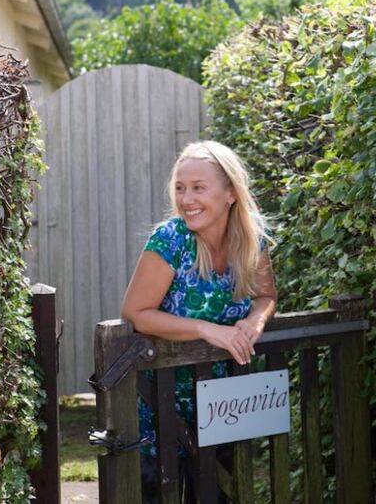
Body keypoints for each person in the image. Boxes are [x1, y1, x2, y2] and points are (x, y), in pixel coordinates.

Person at [121, 140, 277, 503]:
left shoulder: (253, 236)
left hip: (224, 408)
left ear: (230, 194)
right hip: (161, 410)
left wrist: (256, 321)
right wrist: (207, 330)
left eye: (198, 187)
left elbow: (266, 296)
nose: (186, 199)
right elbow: (136, 313)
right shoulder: (171, 239)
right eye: (180, 187)